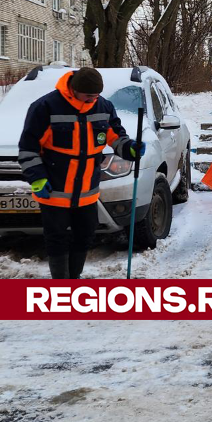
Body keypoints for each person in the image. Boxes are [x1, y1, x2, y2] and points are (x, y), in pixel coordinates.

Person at [18, 67, 144, 278]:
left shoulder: (103, 106)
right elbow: (29, 148)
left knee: (85, 236)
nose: (92, 100)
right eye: (88, 96)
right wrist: (37, 178)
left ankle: (73, 280)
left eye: (96, 95)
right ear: (74, 90)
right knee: (56, 239)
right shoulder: (46, 107)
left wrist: (129, 148)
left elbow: (115, 136)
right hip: (55, 191)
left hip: (87, 192)